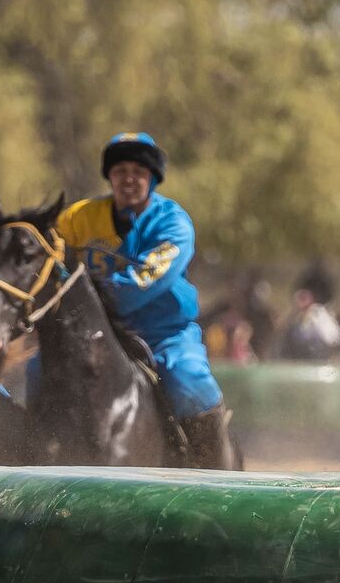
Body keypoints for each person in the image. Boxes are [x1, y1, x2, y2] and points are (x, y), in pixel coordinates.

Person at [53, 132, 232, 465]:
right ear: (109, 176)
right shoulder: (77, 219)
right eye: (120, 171)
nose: (129, 179)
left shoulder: (172, 222)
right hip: (93, 334)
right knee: (37, 371)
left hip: (164, 335)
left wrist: (91, 296)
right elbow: (50, 258)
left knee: (191, 380)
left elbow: (148, 279)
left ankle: (217, 475)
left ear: (153, 178)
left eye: (139, 171)